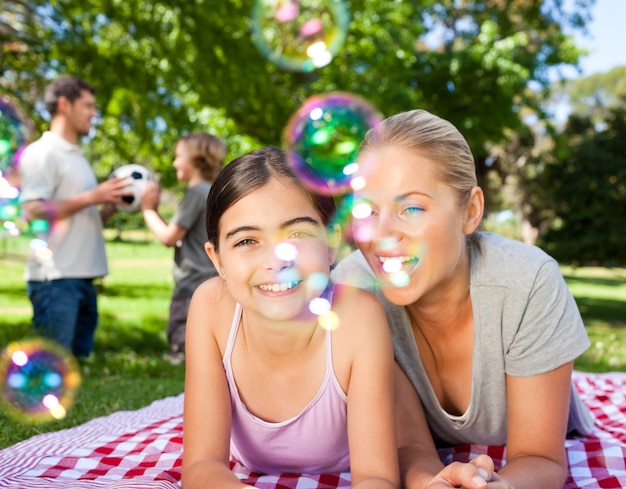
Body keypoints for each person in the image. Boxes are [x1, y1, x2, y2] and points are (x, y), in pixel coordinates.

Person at [332, 109, 594, 489]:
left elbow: (540, 457)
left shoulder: (526, 283)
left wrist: (499, 487)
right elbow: (408, 445)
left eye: (412, 208)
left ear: (470, 212)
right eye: (366, 210)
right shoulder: (355, 290)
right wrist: (430, 484)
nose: (381, 234)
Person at [182, 147, 400, 489]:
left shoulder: (358, 317)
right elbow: (201, 466)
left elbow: (377, 477)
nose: (277, 260)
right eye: (247, 241)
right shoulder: (210, 307)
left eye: (297, 234)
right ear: (217, 260)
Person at [18, 75, 131, 358]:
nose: (94, 113)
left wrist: (112, 204)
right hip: (55, 279)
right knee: (53, 363)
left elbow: (86, 219)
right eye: (88, 106)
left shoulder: (77, 158)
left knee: (76, 364)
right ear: (65, 104)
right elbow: (33, 210)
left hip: (83, 277)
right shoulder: (42, 153)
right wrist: (93, 196)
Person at [141, 132, 226, 363]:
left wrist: (148, 209)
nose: (175, 162)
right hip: (210, 279)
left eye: (179, 156)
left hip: (191, 284)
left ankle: (180, 361)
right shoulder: (214, 190)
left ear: (196, 160)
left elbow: (169, 237)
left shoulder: (196, 192)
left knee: (184, 337)